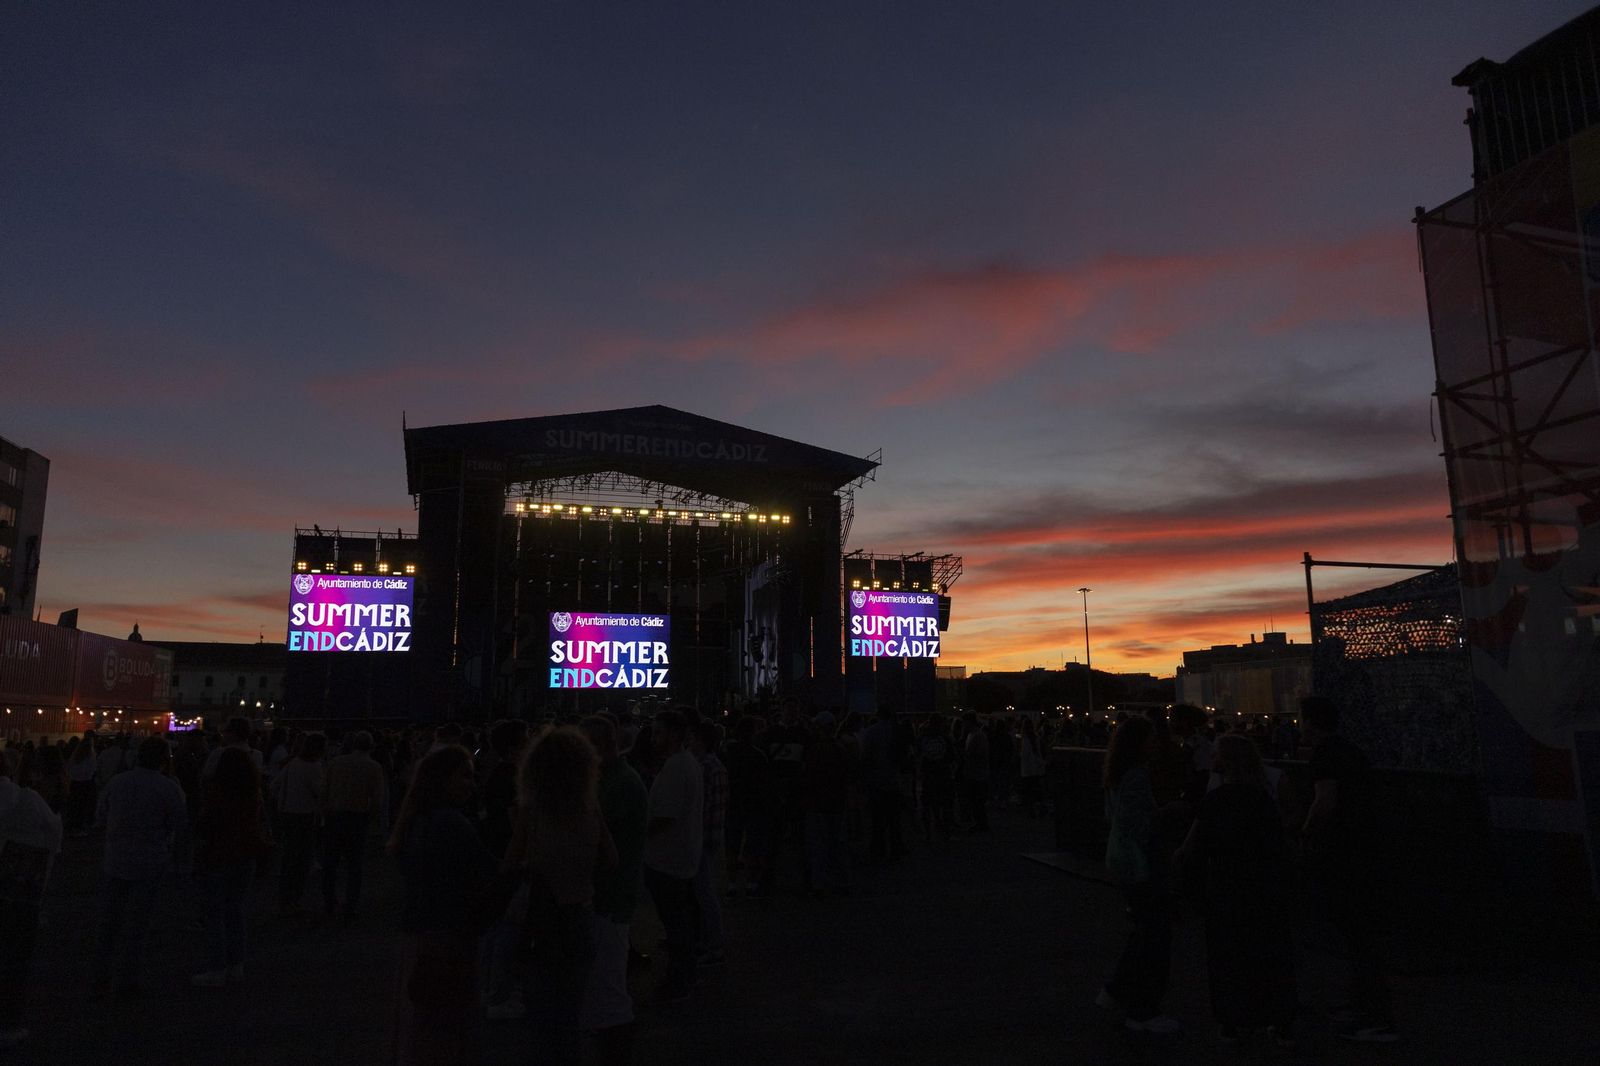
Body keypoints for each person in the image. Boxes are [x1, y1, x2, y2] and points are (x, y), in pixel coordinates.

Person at [1177, 734, 1296, 1045]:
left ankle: (1232, 1019)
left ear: (1226, 760)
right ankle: (1275, 1017)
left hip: (1225, 886)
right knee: (1267, 953)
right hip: (1263, 886)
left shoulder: (1216, 800)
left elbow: (1192, 847)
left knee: (1227, 956)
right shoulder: (1263, 798)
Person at [507, 727, 617, 1066]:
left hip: (541, 921)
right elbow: (612, 860)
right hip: (580, 913)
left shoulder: (531, 812)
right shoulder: (590, 809)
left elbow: (508, 867)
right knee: (570, 1017)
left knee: (540, 1020)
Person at [391, 745, 501, 1066]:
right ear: (443, 779)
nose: (472, 784)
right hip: (448, 938)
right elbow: (486, 875)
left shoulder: (418, 821)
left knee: (424, 1028)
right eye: (464, 776)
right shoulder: (452, 824)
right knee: (448, 1028)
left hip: (422, 933)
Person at [1301, 695, 1396, 1043]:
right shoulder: (1350, 751)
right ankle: (1367, 1008)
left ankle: (1370, 1015)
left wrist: (1305, 834)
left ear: (1311, 721)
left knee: (1352, 937)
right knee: (1361, 937)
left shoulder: (1325, 755)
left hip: (1342, 854)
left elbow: (1325, 801)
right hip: (1363, 850)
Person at [1099, 716, 1179, 1034]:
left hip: (1123, 859)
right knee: (1155, 935)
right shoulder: (1137, 776)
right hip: (1141, 862)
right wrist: (1166, 813)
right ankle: (1143, 1009)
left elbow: (1116, 817)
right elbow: (1138, 824)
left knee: (1143, 930)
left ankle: (1118, 991)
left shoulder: (1116, 775)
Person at [578, 716, 648, 1066]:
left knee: (608, 985)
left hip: (610, 895)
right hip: (610, 893)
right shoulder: (619, 779)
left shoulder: (618, 784)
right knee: (606, 982)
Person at [93, 736, 187, 996]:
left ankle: (101, 976)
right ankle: (128, 978)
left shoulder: (117, 782)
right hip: (150, 859)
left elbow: (101, 815)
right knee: (138, 923)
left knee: (110, 921)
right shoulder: (168, 787)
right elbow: (179, 823)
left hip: (116, 857)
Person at [0, 748, 63, 1048]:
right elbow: (54, 837)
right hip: (17, 892)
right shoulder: (28, 801)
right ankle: (7, 1022)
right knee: (14, 957)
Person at [191, 747, 267, 987]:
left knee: (214, 914)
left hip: (218, 855)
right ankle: (236, 965)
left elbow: (205, 826)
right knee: (236, 911)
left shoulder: (217, 794)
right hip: (245, 854)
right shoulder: (253, 794)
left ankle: (217, 967)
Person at [641, 710, 703, 1004]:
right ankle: (685, 975)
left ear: (674, 735)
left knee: (675, 923)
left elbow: (665, 816)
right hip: (680, 855)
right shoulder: (685, 763)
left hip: (668, 858)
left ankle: (679, 980)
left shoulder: (676, 767)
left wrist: (640, 834)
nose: (654, 739)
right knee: (680, 921)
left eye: (658, 733)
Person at [321, 731, 386, 922]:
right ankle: (350, 906)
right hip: (357, 818)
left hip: (334, 816)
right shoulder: (374, 767)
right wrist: (371, 818)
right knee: (354, 865)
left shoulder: (335, 762)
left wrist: (324, 812)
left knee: (330, 863)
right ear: (371, 746)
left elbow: (324, 790)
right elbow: (377, 799)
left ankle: (329, 901)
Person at [270, 732, 326, 914]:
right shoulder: (313, 767)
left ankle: (285, 898)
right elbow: (320, 792)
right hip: (305, 815)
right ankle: (294, 899)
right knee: (302, 859)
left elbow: (274, 785)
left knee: (289, 857)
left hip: (287, 812)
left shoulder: (292, 763)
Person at [801, 712, 852, 896]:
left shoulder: (816, 750)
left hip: (817, 803)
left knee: (818, 844)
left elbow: (808, 775)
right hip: (837, 802)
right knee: (838, 843)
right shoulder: (840, 748)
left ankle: (820, 883)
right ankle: (841, 881)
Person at [690, 721, 727, 964]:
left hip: (700, 837)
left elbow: (699, 808)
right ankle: (711, 942)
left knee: (702, 893)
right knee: (705, 891)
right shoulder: (717, 766)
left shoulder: (703, 768)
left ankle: (711, 943)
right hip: (712, 835)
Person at [861, 707, 907, 860]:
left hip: (876, 780)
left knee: (877, 820)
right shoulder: (897, 731)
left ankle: (878, 849)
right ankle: (896, 847)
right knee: (894, 819)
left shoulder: (871, 732)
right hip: (894, 780)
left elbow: (866, 756)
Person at [960, 713, 990, 832]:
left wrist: (968, 755)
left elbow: (981, 753)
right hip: (974, 772)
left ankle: (981, 823)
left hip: (977, 773)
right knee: (975, 800)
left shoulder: (977, 735)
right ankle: (979, 822)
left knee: (977, 800)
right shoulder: (972, 734)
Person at [65, 735, 98, 837]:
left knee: (74, 806)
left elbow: (68, 768)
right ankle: (80, 827)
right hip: (86, 784)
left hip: (75, 784)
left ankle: (72, 827)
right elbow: (93, 769)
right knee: (83, 806)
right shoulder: (91, 757)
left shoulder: (76, 756)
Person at [1018, 716, 1046, 818]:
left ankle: (1032, 811)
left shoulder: (1025, 740)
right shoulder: (1035, 738)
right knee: (1036, 790)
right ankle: (1040, 809)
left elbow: (1024, 755)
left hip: (1028, 769)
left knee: (1029, 791)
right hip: (1036, 768)